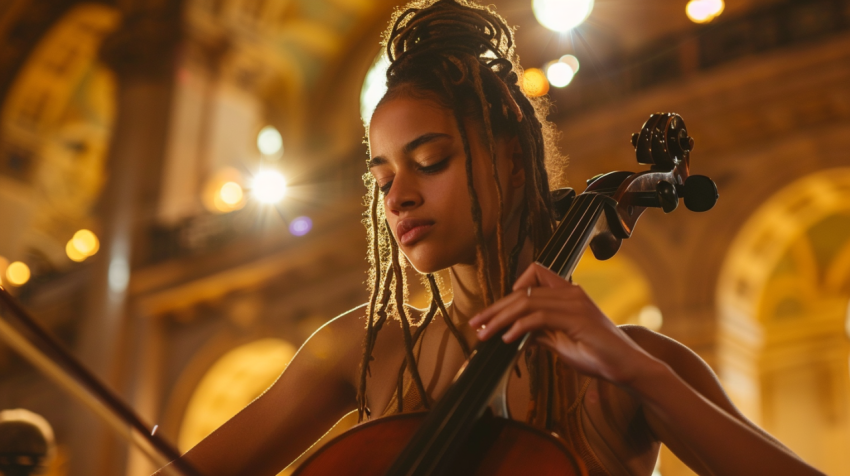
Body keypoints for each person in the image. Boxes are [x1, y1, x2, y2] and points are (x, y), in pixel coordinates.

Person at [157, 1, 824, 475]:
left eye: (431, 160)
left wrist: (638, 371)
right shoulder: (366, 348)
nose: (400, 195)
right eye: (382, 176)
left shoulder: (630, 370)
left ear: (509, 159)